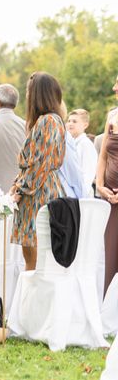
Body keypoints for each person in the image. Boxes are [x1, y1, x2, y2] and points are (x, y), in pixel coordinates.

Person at [10, 72, 66, 271]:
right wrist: (17, 184)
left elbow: (39, 164)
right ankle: (29, 299)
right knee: (31, 258)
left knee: (35, 258)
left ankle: (33, 300)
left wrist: (21, 189)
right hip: (35, 191)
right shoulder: (44, 121)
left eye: (28, 91)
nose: (26, 95)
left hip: (39, 194)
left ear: (38, 94)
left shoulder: (49, 121)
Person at [96, 74, 118, 295]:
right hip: (109, 197)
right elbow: (103, 156)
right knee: (110, 252)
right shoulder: (112, 115)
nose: (114, 87)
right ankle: (109, 308)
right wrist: (100, 185)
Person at [67, 109, 98, 198]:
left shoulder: (86, 145)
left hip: (81, 197)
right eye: (69, 121)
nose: (70, 124)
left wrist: (79, 197)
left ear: (85, 125)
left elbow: (87, 175)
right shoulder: (70, 144)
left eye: (74, 121)